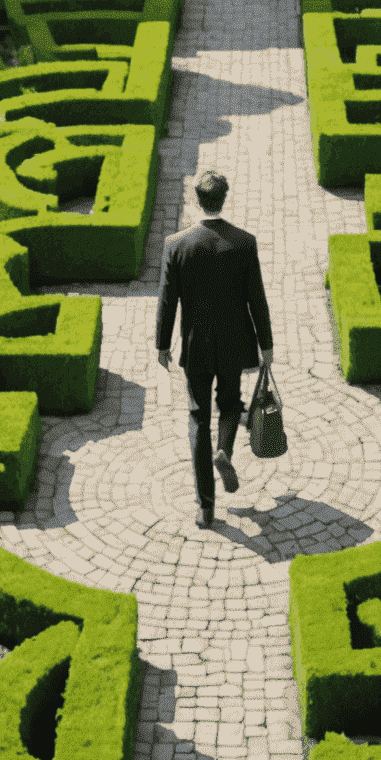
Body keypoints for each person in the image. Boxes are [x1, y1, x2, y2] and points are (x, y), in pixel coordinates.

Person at [156, 171, 274, 528]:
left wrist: (162, 344)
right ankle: (224, 449)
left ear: (196, 199)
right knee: (229, 403)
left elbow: (167, 301)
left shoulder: (176, 245)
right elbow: (257, 299)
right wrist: (266, 344)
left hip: (196, 346)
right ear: (224, 198)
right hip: (234, 342)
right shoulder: (244, 242)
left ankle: (205, 507)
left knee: (197, 416)